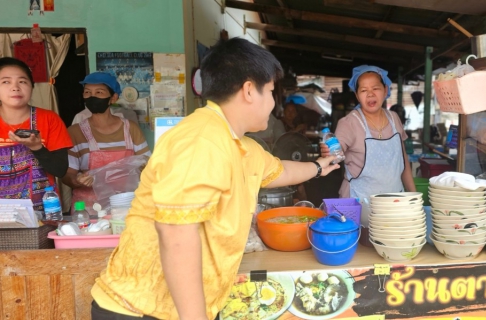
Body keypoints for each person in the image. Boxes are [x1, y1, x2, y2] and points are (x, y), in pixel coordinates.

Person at [90, 38, 339, 319]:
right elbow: (175, 235)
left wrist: (319, 166)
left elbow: (280, 171)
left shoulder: (240, 145)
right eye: (270, 91)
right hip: (140, 310)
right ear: (248, 90)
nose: (272, 103)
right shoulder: (201, 140)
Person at [321, 65, 416, 201]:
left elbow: (403, 161)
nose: (370, 94)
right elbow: (337, 149)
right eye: (364, 90)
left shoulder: (394, 118)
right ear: (357, 95)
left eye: (375, 88)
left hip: (394, 203)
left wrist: (414, 198)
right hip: (359, 203)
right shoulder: (349, 123)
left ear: (385, 90)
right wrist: (330, 152)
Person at [62, 72, 151, 216]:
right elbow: (67, 175)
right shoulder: (75, 132)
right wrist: (78, 180)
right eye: (87, 92)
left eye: (99, 92)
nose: (92, 97)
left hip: (127, 207)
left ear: (113, 97)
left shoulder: (130, 129)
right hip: (88, 211)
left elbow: (148, 165)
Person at [0, 57, 73, 212]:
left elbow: (60, 170)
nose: (15, 88)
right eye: (6, 82)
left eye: (22, 81)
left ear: (32, 87)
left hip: (41, 216)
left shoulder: (49, 119)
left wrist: (37, 148)